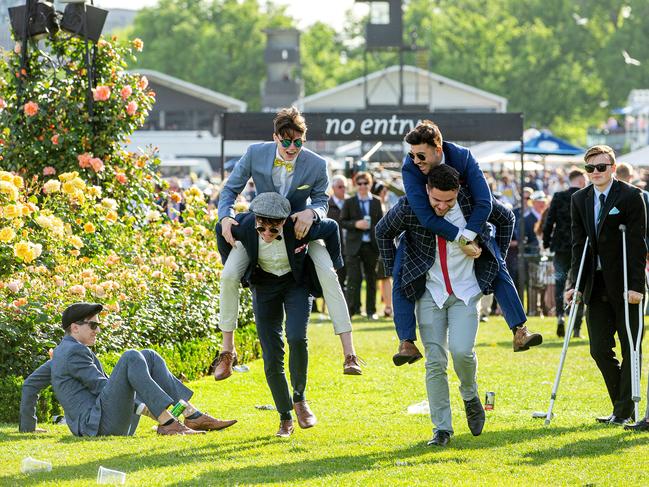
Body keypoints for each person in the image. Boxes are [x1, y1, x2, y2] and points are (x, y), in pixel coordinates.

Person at [377, 164, 520, 446]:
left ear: (458, 193)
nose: (442, 206)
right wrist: (396, 268)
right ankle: (441, 429)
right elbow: (383, 231)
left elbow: (508, 218)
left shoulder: (474, 204)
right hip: (430, 292)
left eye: (449, 201)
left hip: (466, 291)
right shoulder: (409, 207)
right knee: (435, 361)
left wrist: (495, 258)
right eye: (436, 200)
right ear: (427, 190)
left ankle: (470, 395)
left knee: (462, 351)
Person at [215, 107, 360, 378]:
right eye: (286, 141)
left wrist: (311, 213)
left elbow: (321, 201)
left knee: (329, 275)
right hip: (260, 227)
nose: (292, 147)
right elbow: (229, 190)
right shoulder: (254, 153)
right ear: (275, 138)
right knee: (228, 275)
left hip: (300, 228)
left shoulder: (316, 163)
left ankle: (349, 353)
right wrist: (226, 217)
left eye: (298, 142)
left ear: (303, 139)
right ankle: (227, 350)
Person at [390, 120, 540, 364]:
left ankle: (520, 330)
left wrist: (492, 254)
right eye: (411, 155)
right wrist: (461, 239)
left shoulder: (463, 156)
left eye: (420, 155)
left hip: (469, 211)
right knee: (400, 272)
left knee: (495, 261)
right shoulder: (410, 168)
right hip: (425, 227)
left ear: (438, 149)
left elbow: (484, 203)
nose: (415, 161)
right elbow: (426, 216)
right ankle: (406, 342)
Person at [216, 193, 343, 437]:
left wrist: (334, 265)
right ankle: (285, 416)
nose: (265, 233)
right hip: (263, 286)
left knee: (296, 337)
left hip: (296, 284)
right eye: (260, 227)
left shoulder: (300, 227)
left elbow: (332, 228)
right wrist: (235, 267)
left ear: (284, 221)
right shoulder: (244, 226)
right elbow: (220, 230)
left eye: (272, 229)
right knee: (271, 353)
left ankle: (300, 400)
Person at [19, 303, 237, 436]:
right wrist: (147, 409)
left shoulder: (64, 353)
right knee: (131, 356)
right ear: (75, 328)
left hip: (107, 420)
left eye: (98, 325)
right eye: (93, 325)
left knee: (148, 356)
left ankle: (189, 414)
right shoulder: (72, 353)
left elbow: (30, 385)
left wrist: (28, 427)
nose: (98, 330)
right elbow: (101, 386)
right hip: (97, 428)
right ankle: (170, 423)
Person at [565, 145, 646, 426]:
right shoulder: (579, 199)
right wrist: (573, 284)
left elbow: (637, 244)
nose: (595, 173)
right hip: (595, 284)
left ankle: (624, 410)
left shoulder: (632, 196)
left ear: (613, 167)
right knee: (598, 348)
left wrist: (637, 286)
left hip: (626, 285)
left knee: (630, 347)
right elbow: (578, 245)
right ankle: (622, 408)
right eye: (590, 168)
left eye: (601, 167)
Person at [543, 168, 587, 337]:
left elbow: (549, 222)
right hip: (580, 249)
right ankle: (576, 327)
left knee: (560, 283)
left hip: (560, 247)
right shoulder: (586, 197)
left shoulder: (558, 197)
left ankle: (560, 316)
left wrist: (547, 242)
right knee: (578, 286)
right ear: (581, 181)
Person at [340, 171, 384, 320]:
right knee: (353, 279)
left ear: (370, 184)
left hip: (371, 246)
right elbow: (342, 222)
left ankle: (371, 311)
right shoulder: (350, 202)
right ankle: (352, 311)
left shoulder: (377, 201)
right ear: (356, 185)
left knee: (371, 279)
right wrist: (356, 224)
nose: (363, 186)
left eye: (365, 183)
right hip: (353, 246)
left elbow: (381, 223)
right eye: (360, 184)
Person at [327, 174, 348, 290]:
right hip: (333, 247)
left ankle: (350, 306)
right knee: (334, 279)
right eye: (340, 187)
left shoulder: (350, 203)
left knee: (349, 279)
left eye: (345, 186)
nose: (343, 189)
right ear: (333, 188)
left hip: (349, 247)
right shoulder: (327, 205)